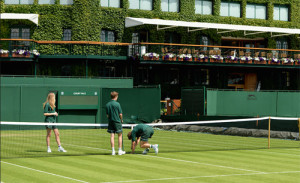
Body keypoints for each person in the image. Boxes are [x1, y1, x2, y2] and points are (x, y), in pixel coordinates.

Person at [106, 91, 126, 155]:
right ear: (116, 96)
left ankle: (113, 151)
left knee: (112, 136)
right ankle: (120, 151)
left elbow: (107, 115)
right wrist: (121, 119)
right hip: (117, 122)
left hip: (111, 122)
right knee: (120, 135)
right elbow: (120, 114)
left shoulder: (107, 104)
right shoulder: (117, 104)